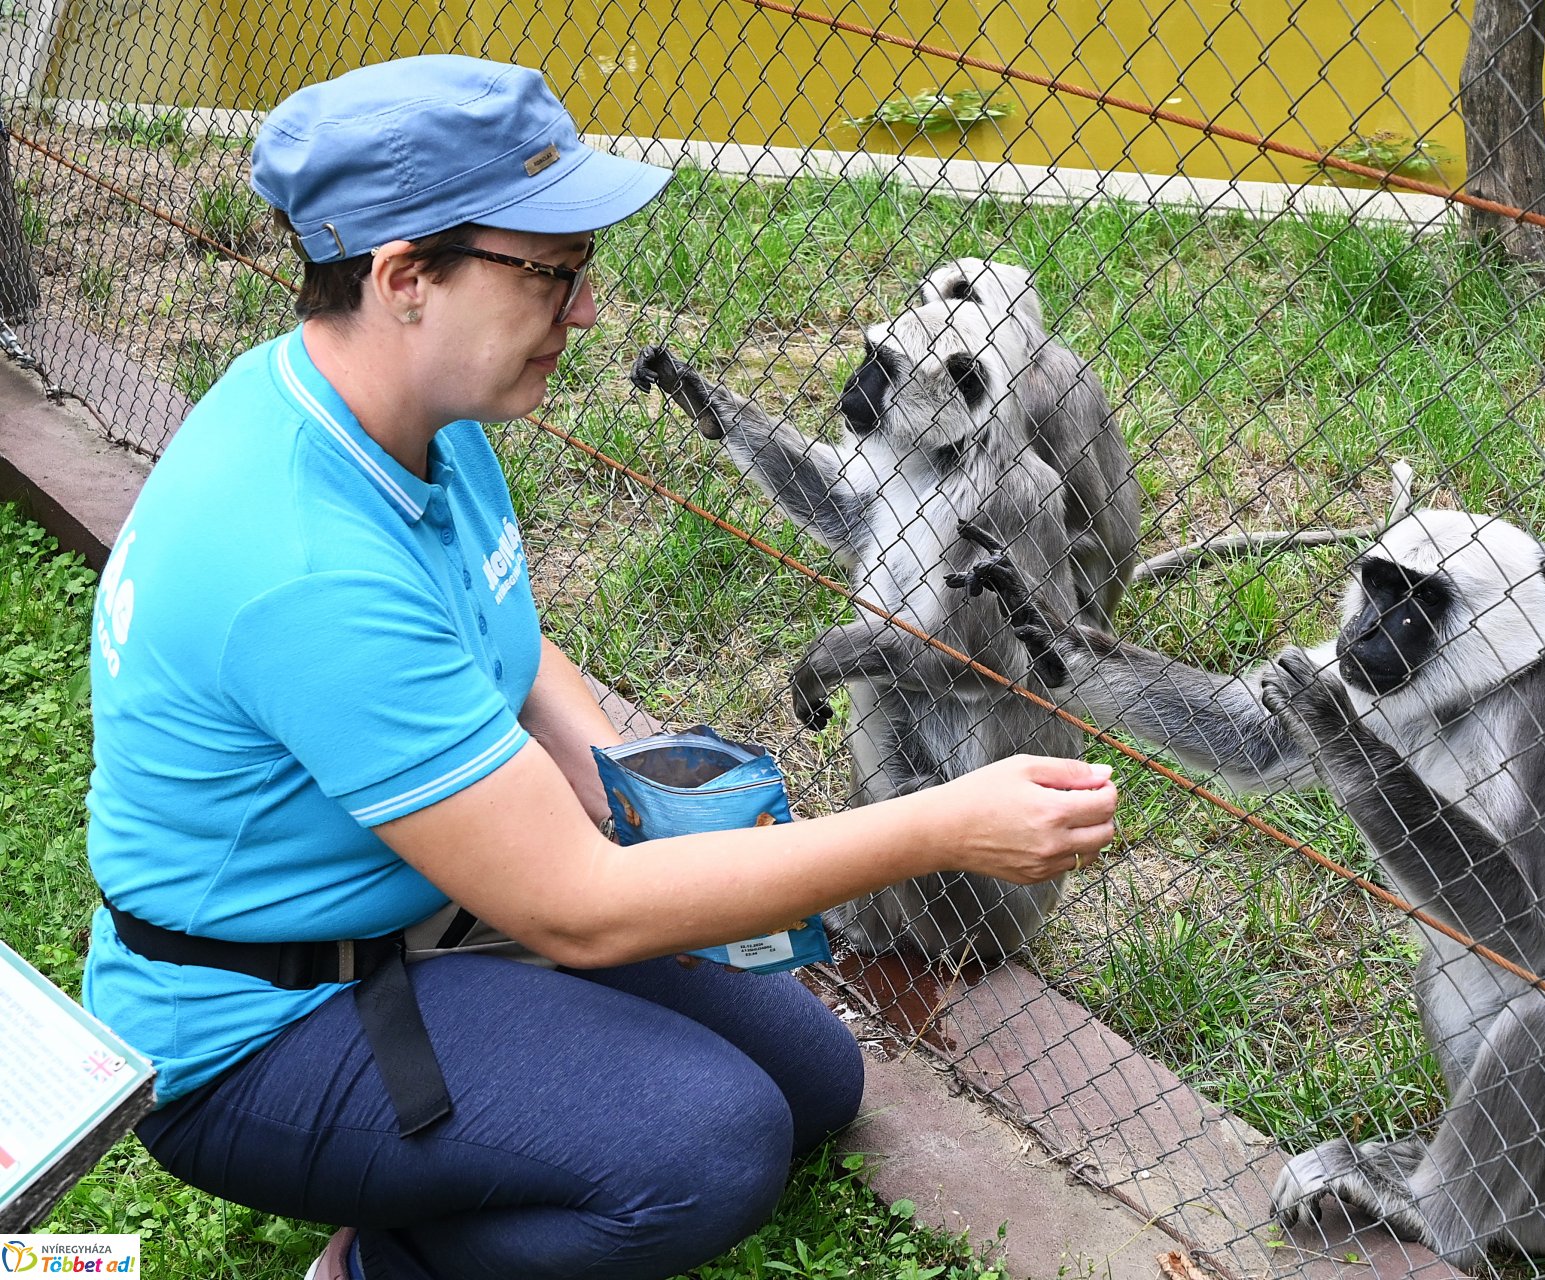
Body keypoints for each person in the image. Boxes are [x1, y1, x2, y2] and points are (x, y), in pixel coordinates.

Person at [81, 55, 1117, 1280]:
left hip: (409, 908)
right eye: (552, 274)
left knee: (815, 1081)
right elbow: (578, 907)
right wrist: (943, 825)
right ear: (407, 278)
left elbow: (499, 633)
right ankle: (373, 1264)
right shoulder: (302, 565)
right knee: (709, 1145)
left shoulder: (395, 406)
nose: (583, 312)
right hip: (268, 1016)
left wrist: (628, 777)